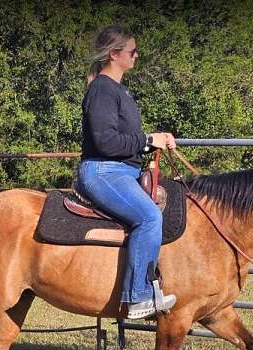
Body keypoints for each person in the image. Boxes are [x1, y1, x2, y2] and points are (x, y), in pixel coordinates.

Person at [76, 25, 177, 319]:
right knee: (149, 216)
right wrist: (148, 140)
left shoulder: (119, 90)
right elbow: (105, 142)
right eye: (132, 51)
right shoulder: (102, 90)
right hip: (103, 172)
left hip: (122, 170)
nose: (137, 55)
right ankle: (138, 296)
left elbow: (124, 141)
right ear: (114, 54)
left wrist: (153, 140)